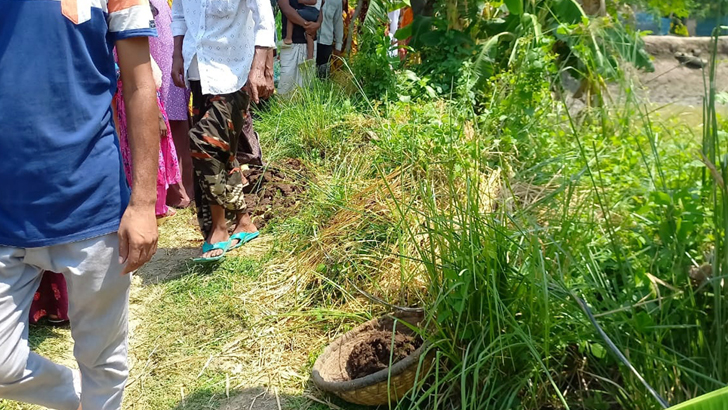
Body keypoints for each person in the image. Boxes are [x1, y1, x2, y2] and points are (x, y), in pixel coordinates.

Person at [0, 0, 159, 409]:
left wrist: (143, 203)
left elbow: (140, 85)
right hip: (5, 210)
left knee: (103, 362)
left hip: (91, 200)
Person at [172, 0, 275, 262]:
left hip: (234, 72)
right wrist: (176, 56)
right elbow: (180, 14)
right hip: (197, 69)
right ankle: (243, 221)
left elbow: (263, 16)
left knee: (204, 143)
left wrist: (262, 67)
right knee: (223, 151)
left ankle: (218, 229)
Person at [115, 53, 182, 219]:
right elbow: (145, 85)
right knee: (152, 154)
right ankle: (157, 207)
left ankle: (158, 204)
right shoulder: (124, 54)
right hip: (144, 109)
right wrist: (158, 116)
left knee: (142, 154)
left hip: (132, 106)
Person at [149, 0, 195, 209]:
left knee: (174, 111)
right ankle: (164, 190)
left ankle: (180, 185)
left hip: (164, 28)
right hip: (141, 27)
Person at [279, 0, 323, 95]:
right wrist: (306, 24)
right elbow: (286, 10)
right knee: (287, 82)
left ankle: (304, 108)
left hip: (310, 40)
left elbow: (320, 8)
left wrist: (318, 24)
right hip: (291, 46)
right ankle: (283, 108)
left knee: (307, 83)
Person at [316, 0, 344, 76]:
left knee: (323, 76)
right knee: (308, 73)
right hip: (310, 41)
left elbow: (338, 22)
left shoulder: (337, 1)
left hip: (326, 43)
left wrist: (338, 46)